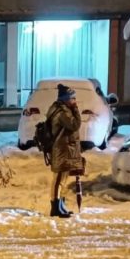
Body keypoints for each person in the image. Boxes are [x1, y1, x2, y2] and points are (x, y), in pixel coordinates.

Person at [47, 84, 84, 218]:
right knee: (58, 180)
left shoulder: (61, 109)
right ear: (65, 99)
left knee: (62, 180)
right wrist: (76, 109)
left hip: (65, 149)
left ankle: (60, 205)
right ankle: (55, 207)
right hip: (62, 149)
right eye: (72, 98)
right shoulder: (63, 112)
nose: (74, 101)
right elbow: (75, 125)